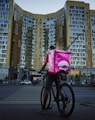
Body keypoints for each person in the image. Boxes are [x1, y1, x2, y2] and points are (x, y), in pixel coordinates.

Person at [39, 45, 59, 111]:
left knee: (47, 90)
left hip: (50, 74)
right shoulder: (57, 55)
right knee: (59, 89)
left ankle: (43, 107)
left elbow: (45, 64)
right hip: (57, 73)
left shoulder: (49, 55)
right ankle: (63, 106)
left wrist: (41, 70)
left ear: (50, 50)